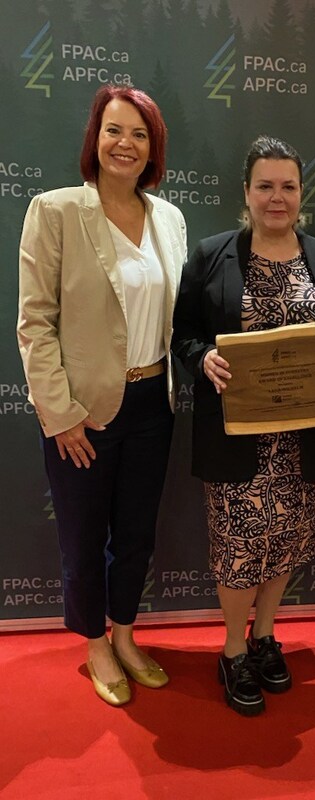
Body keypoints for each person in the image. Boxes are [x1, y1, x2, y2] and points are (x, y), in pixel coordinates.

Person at [173, 135, 315, 716]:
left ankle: (263, 638)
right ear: (247, 193)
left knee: (284, 547)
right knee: (238, 550)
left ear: (301, 194)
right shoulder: (211, 256)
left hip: (303, 441)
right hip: (236, 440)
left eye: (287, 187)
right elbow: (182, 336)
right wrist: (203, 359)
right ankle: (233, 651)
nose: (276, 198)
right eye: (265, 187)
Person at [17, 85, 187, 706]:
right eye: (115, 131)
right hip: (83, 410)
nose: (126, 144)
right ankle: (93, 643)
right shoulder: (56, 210)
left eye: (140, 135)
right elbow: (35, 321)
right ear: (95, 138)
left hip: (152, 403)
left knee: (137, 533)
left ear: (153, 149)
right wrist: (59, 414)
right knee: (84, 534)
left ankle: (125, 632)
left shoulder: (168, 218)